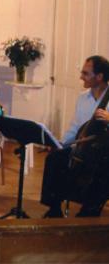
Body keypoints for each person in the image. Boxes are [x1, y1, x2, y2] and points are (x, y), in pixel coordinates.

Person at [42, 55, 109, 218]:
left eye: (86, 74)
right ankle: (54, 206)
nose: (81, 77)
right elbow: (75, 128)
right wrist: (60, 144)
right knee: (55, 158)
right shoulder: (82, 98)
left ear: (99, 77)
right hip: (84, 149)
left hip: (105, 152)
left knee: (102, 168)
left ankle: (89, 210)